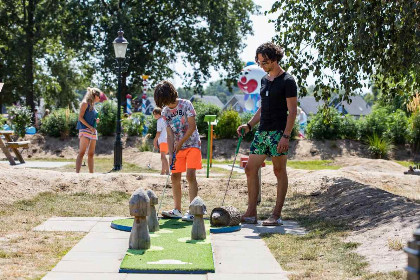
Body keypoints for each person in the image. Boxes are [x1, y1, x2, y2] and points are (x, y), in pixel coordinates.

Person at [237, 42, 298, 226]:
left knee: (279, 171)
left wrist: (286, 136)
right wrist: (249, 125)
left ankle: (276, 215)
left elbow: (293, 111)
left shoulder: (288, 81)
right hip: (262, 132)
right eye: (260, 62)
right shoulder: (264, 80)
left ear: (275, 59)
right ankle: (251, 213)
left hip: (279, 133)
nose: (262, 65)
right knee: (250, 168)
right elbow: (263, 108)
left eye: (265, 62)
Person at [154, 80, 202, 222]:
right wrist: (170, 153)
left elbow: (192, 126)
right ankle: (177, 210)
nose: (166, 105)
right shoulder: (165, 112)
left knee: (190, 175)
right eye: (163, 103)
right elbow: (169, 134)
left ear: (171, 95)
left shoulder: (186, 104)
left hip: (192, 144)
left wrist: (180, 142)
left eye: (166, 101)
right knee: (174, 176)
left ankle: (193, 210)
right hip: (177, 148)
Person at [75, 87, 102, 173]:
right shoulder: (85, 103)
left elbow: (92, 117)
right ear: (95, 95)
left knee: (91, 154)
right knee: (82, 152)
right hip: (85, 130)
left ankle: (91, 174)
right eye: (99, 96)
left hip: (93, 131)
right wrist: (90, 127)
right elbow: (80, 118)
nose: (100, 98)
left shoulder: (93, 106)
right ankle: (77, 174)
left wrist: (96, 120)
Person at [152, 107, 170, 175]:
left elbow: (158, 132)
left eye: (156, 114)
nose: (155, 116)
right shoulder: (166, 119)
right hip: (168, 140)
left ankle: (167, 171)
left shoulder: (159, 121)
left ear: (159, 114)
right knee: (163, 156)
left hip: (163, 140)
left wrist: (155, 140)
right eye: (154, 114)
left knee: (163, 156)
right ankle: (162, 172)